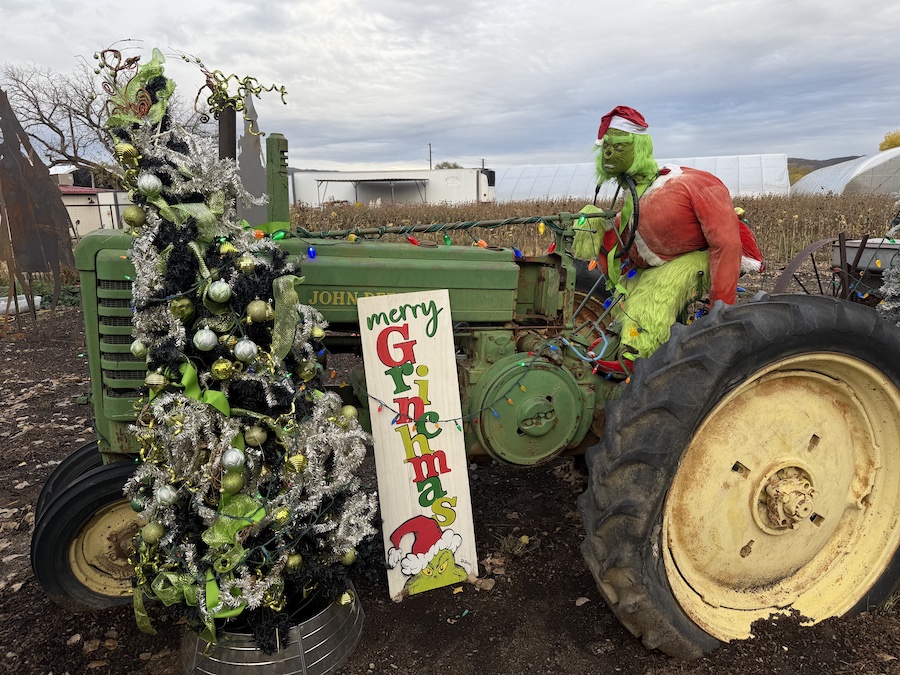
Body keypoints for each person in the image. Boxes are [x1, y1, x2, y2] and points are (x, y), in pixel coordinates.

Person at [573, 106, 763, 364]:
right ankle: (620, 338)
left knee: (659, 286)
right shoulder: (637, 192)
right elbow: (628, 233)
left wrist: (720, 311)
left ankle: (638, 358)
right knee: (627, 287)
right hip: (659, 260)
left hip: (703, 255)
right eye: (606, 148)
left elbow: (726, 243)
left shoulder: (693, 184)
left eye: (619, 147)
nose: (609, 154)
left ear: (638, 147)